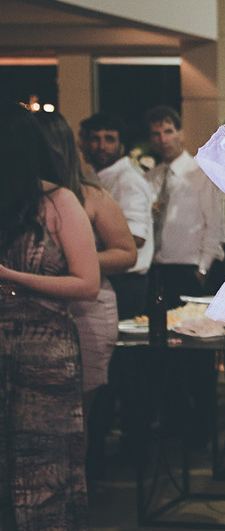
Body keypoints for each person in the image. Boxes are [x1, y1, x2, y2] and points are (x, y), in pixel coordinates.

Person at [0, 103, 101, 531]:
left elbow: (87, 282)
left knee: (42, 485)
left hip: (43, 358)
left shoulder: (58, 201)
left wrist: (10, 278)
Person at [34, 111, 137, 479]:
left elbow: (127, 252)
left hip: (85, 310)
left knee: (77, 413)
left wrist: (73, 259)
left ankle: (72, 492)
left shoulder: (91, 196)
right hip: (31, 310)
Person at [144, 106, 225, 305]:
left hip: (189, 268)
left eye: (168, 132)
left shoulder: (200, 173)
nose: (163, 140)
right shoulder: (150, 177)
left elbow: (214, 223)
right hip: (155, 267)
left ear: (181, 134)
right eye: (156, 134)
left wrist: (203, 268)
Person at [80, 112, 155, 319]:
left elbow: (136, 238)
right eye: (95, 138)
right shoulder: (91, 176)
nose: (101, 146)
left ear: (122, 146)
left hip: (125, 282)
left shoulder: (128, 179)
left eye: (109, 139)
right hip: (103, 276)